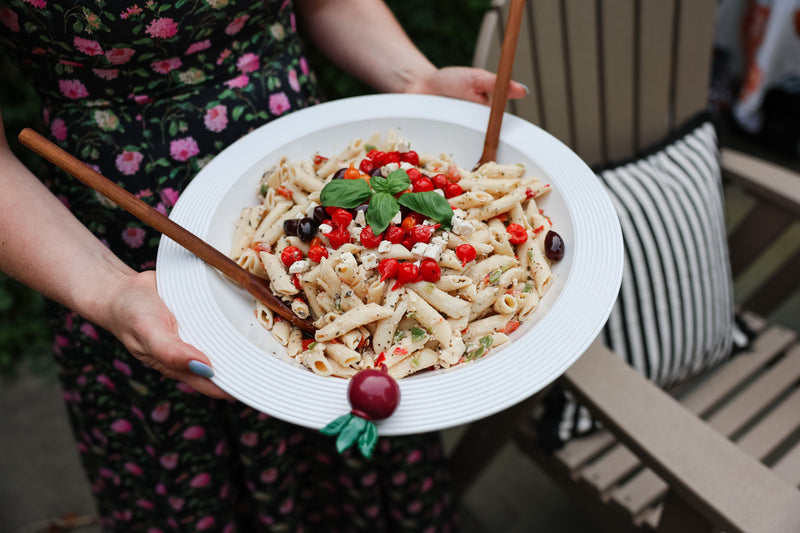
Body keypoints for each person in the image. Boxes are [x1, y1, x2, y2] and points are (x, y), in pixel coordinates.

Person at [0, 1, 526, 531]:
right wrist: (108, 289)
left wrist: (413, 78)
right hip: (115, 238)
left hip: (308, 170)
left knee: (359, 466)